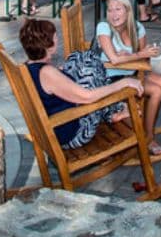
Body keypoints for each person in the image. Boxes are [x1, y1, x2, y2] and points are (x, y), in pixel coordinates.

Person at [20, 17, 144, 150]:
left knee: (81, 57)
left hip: (60, 122)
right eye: (55, 37)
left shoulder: (27, 67)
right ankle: (113, 111)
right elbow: (88, 97)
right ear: (48, 45)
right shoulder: (47, 72)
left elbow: (51, 86)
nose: (57, 39)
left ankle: (112, 110)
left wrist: (65, 71)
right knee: (91, 67)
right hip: (74, 129)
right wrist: (124, 83)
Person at [95, 0, 161, 154]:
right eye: (110, 10)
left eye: (118, 9)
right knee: (156, 91)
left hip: (134, 71)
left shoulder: (137, 27)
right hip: (111, 78)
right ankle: (148, 138)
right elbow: (114, 59)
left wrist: (148, 53)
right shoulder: (104, 27)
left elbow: (144, 58)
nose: (113, 14)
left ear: (127, 11)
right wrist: (138, 55)